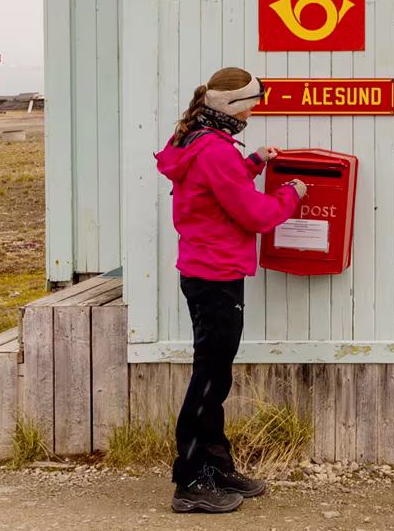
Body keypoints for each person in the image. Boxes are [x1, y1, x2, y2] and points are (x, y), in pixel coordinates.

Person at [155, 67, 307, 514]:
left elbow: (216, 189)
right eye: (251, 105)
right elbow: (255, 214)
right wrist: (293, 194)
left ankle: (216, 466)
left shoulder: (198, 140)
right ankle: (190, 481)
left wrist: (254, 162)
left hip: (205, 269)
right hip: (216, 275)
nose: (253, 111)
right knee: (209, 377)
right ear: (232, 108)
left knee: (216, 374)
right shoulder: (216, 151)